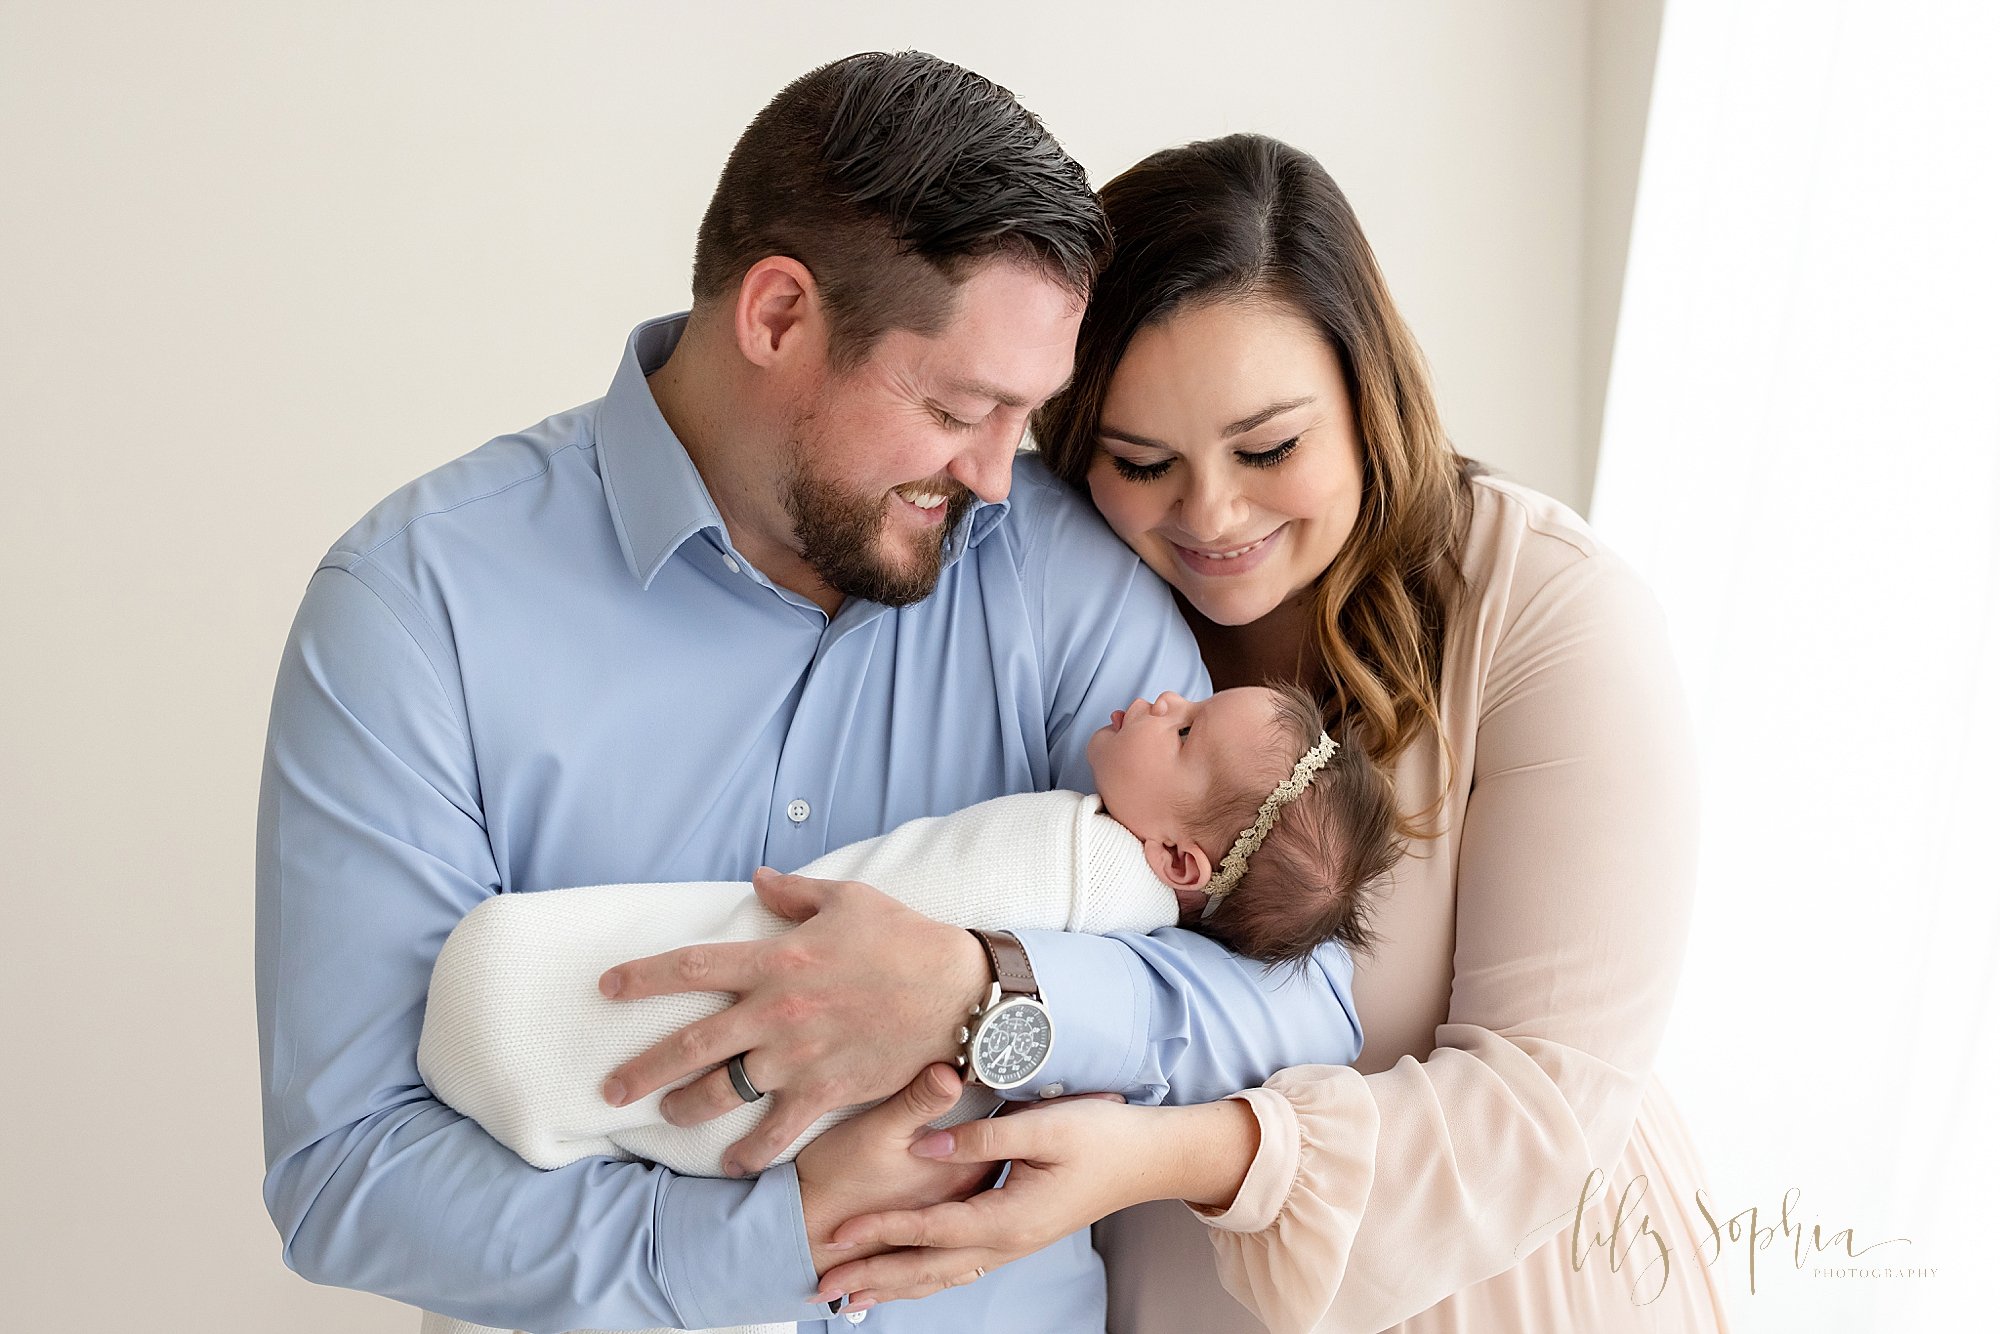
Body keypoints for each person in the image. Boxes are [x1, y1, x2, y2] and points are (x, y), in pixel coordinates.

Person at [256, 56, 1365, 1334]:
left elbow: (1298, 993)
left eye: (1027, 417)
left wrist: (983, 990)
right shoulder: (412, 610)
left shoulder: (1050, 570)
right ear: (779, 315)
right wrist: (769, 1233)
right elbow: (346, 1168)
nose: (1001, 479)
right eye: (959, 408)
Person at [794, 135, 1730, 1332]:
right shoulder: (1064, 614)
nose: (1211, 515)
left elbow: (1539, 1111)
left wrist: (1168, 1156)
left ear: (1364, 393)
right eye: (1140, 462)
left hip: (1501, 1284)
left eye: (1268, 447)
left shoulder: (1542, 606)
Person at [416, 683, 1400, 1185]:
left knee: (576, 997)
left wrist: (961, 989)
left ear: (1179, 862)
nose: (1161, 697)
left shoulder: (1074, 861)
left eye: (1181, 730)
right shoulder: (1122, 892)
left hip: (796, 1063)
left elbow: (912, 896)